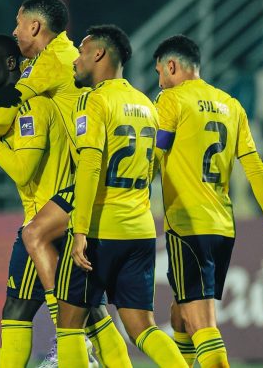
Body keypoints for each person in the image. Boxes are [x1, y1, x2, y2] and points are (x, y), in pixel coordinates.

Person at [0, 0, 129, 367]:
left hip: (64, 198)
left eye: (18, 24)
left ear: (35, 26)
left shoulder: (49, 64)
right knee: (23, 309)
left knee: (83, 310)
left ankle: (73, 345)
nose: (15, 31)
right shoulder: (68, 63)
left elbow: (5, 124)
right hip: (72, 193)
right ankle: (76, 343)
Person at [152, 35, 263, 367]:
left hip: (188, 226)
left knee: (202, 324)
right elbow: (254, 166)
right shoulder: (231, 104)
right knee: (180, 314)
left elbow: (154, 156)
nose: (159, 80)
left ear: (172, 66)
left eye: (160, 71)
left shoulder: (171, 100)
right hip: (222, 228)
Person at [54, 24, 184, 367]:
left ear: (99, 53)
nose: (76, 61)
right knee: (143, 328)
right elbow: (157, 164)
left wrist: (79, 229)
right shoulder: (146, 104)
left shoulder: (93, 101)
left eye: (82, 52)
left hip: (99, 230)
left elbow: (90, 166)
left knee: (69, 326)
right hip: (140, 230)